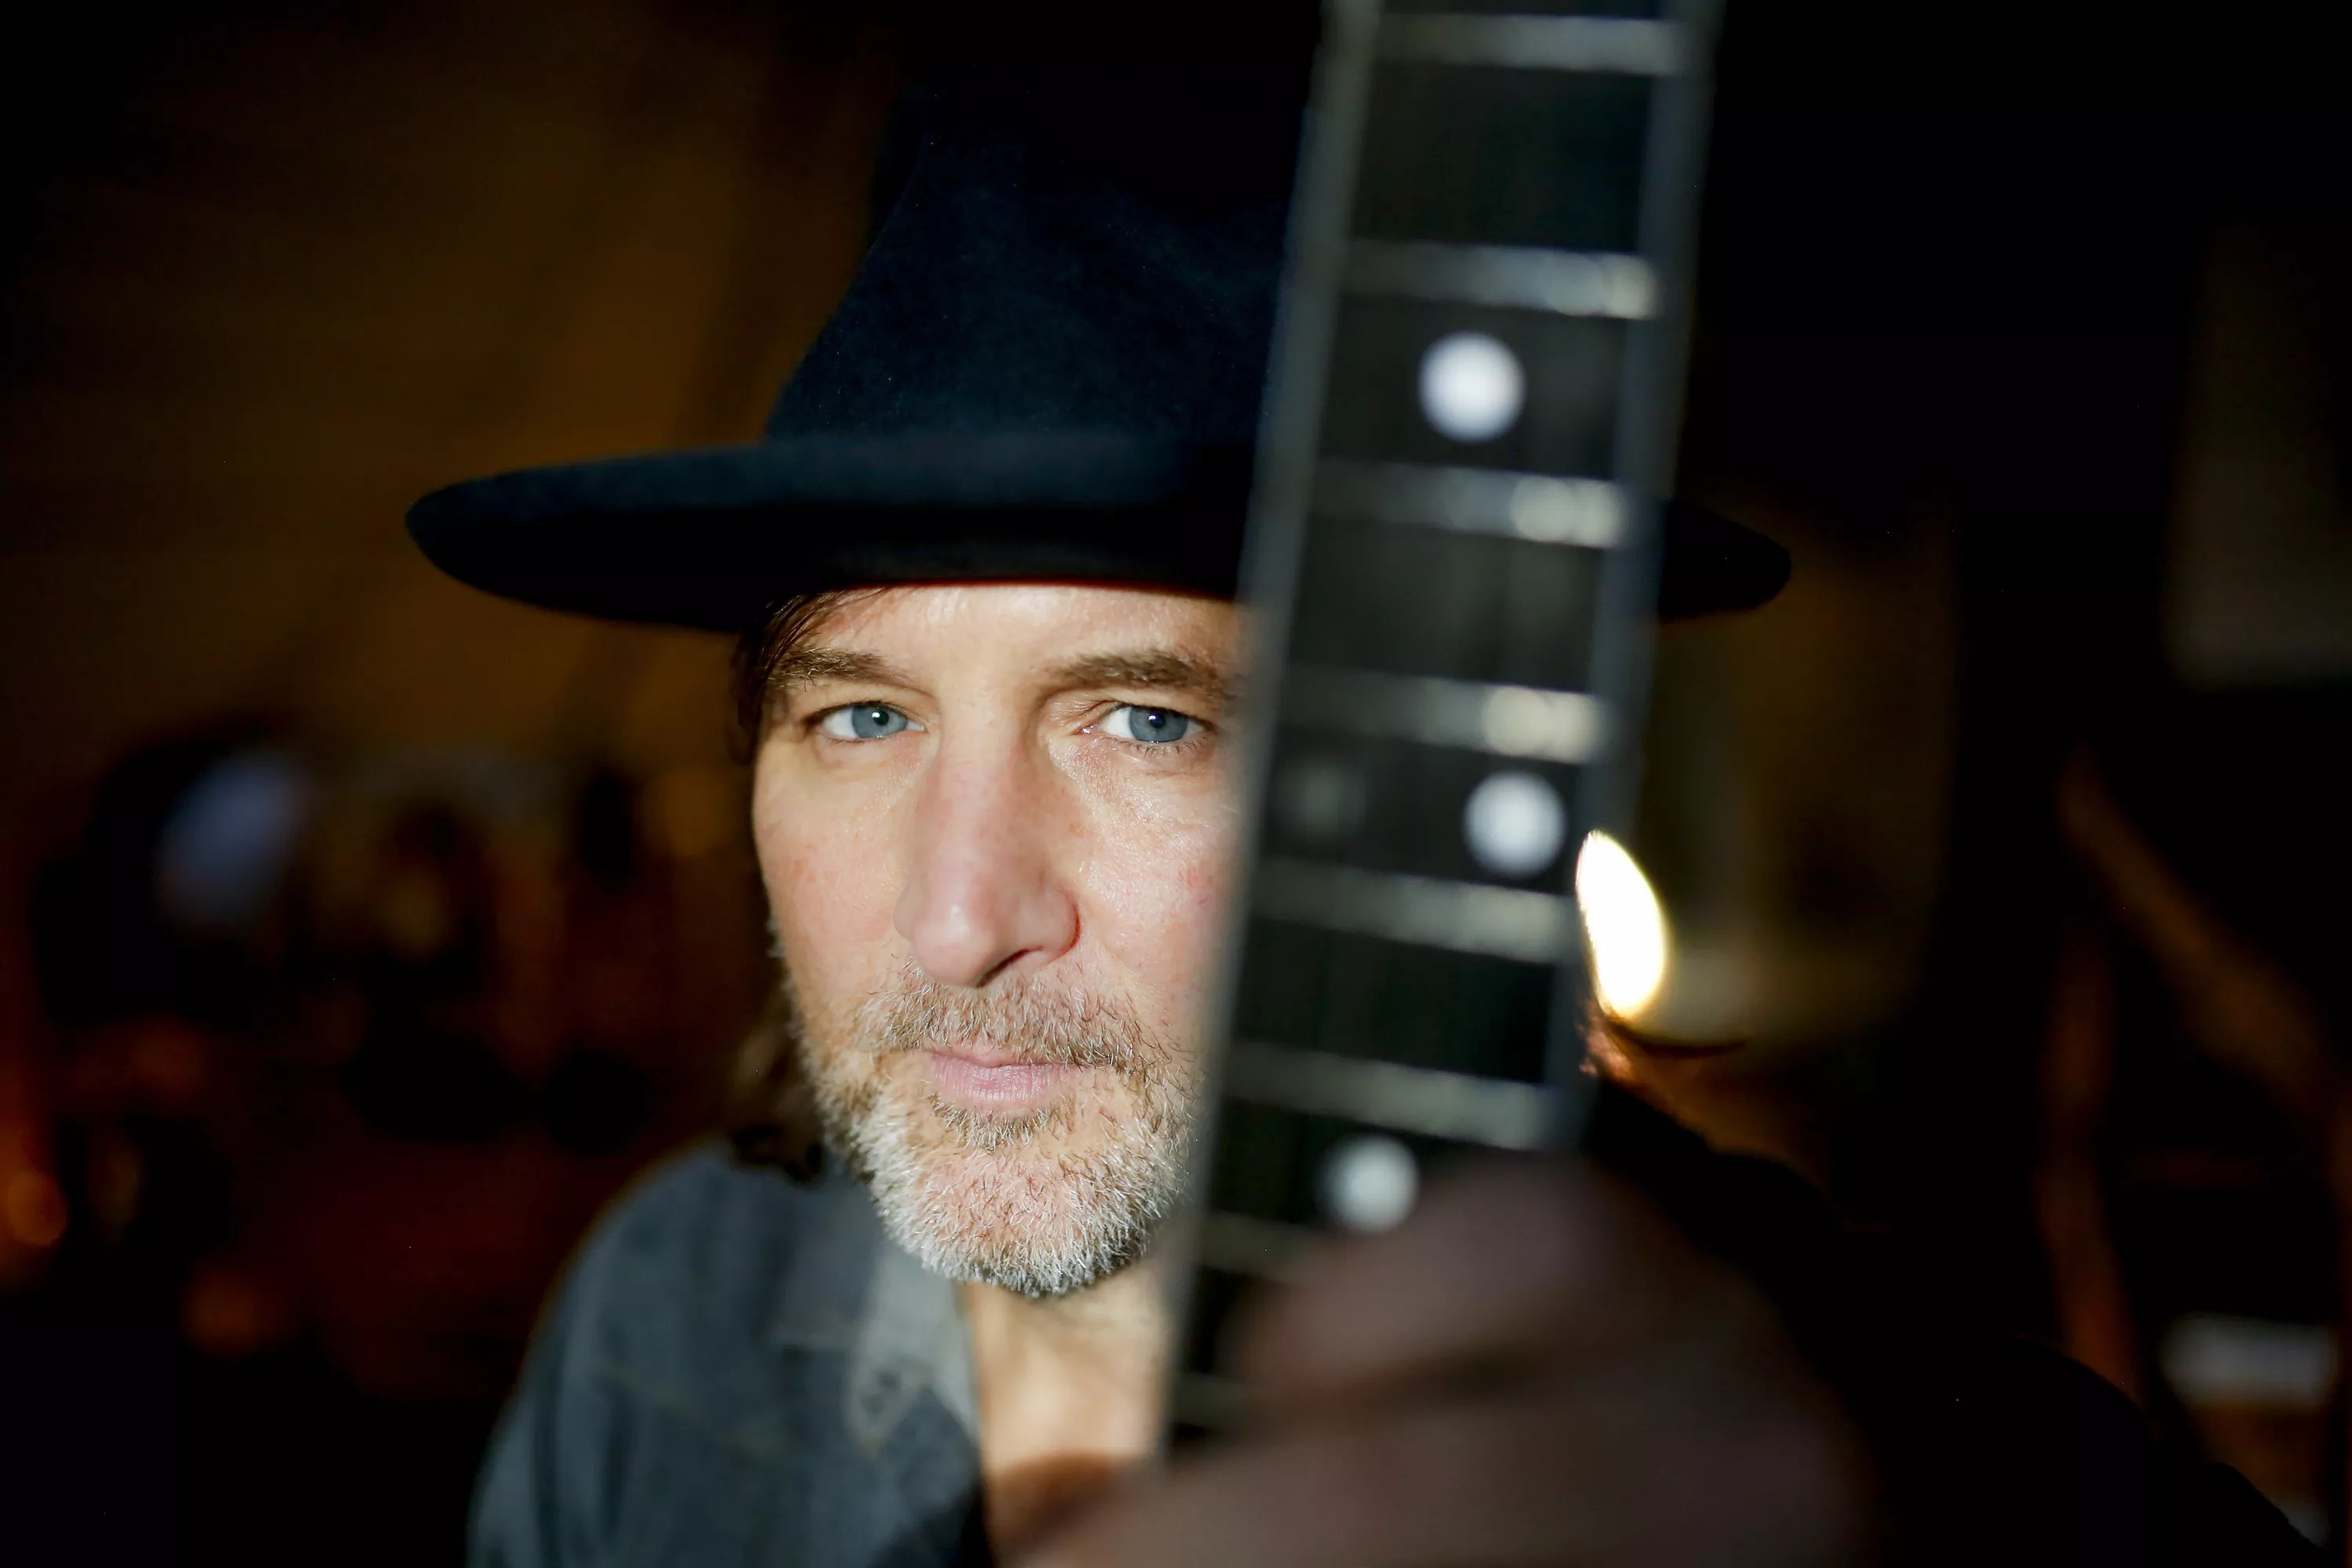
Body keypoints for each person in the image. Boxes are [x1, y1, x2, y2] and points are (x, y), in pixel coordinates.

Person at [410, 74, 2314, 1568]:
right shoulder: (672, 1311)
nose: (957, 916)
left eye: (1145, 719)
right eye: (863, 714)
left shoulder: (1866, 1452)